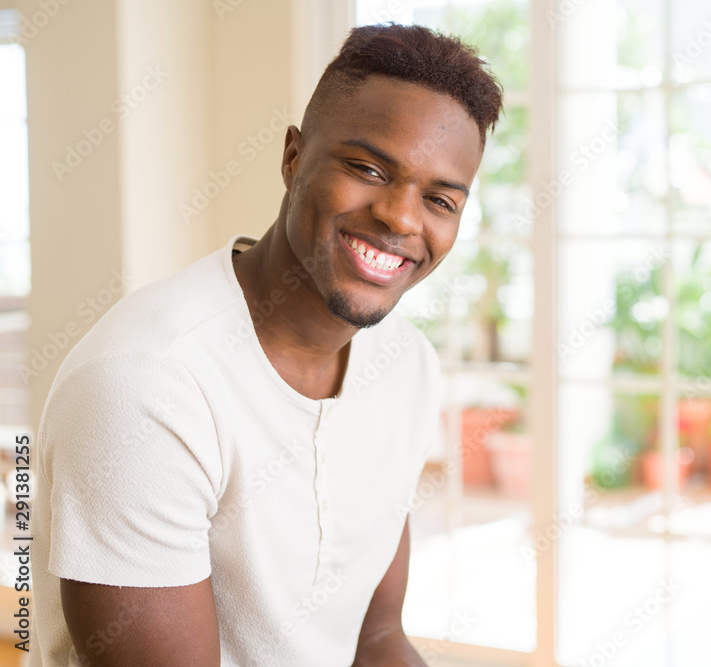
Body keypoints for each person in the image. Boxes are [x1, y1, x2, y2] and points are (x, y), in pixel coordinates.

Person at [30, 23, 503, 666]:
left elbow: (376, 639)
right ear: (292, 158)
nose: (400, 217)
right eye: (368, 168)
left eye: (440, 199)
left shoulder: (407, 365)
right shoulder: (146, 384)